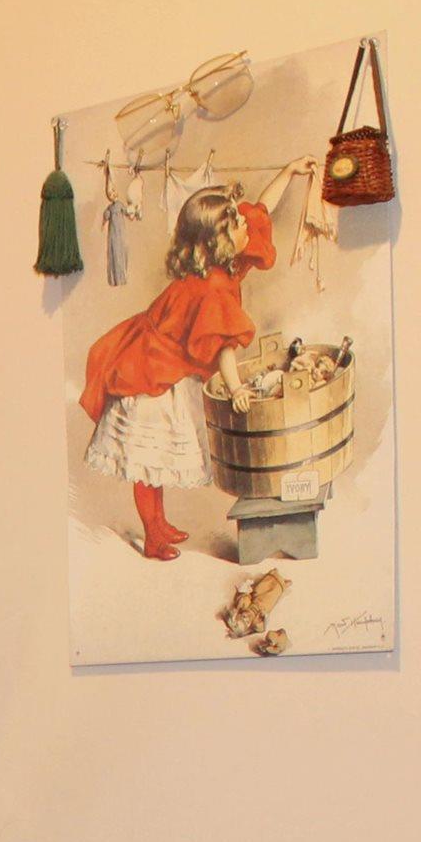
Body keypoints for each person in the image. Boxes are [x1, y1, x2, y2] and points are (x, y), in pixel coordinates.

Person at [79, 165, 311, 561]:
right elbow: (224, 347)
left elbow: (261, 211)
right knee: (148, 461)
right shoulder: (211, 287)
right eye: (237, 224)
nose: (247, 228)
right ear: (217, 240)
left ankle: (159, 522)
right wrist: (236, 388)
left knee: (157, 462)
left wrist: (289, 172)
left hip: (164, 363)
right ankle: (153, 536)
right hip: (150, 371)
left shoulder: (222, 265)